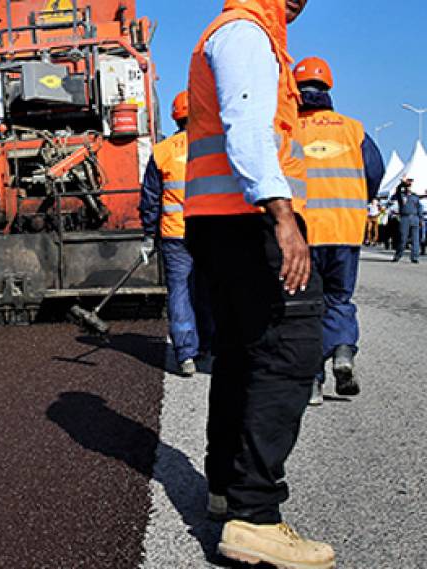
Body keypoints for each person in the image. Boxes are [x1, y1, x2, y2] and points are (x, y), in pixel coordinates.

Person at [183, 1, 336, 566]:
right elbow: (246, 126)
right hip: (249, 225)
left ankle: (225, 488)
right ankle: (256, 515)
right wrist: (282, 217)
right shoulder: (246, 34)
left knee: (242, 356)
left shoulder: (238, 33)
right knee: (290, 351)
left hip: (218, 224)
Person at [293, 56, 385, 405]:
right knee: (339, 297)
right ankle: (343, 350)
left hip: (304, 234)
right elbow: (373, 173)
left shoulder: (288, 129)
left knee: (307, 306)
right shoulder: (353, 129)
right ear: (327, 87)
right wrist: (358, 200)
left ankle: (313, 384)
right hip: (345, 230)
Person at [138, 90, 213, 377]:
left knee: (180, 291)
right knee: (208, 289)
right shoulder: (212, 147)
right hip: (208, 233)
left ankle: (185, 355)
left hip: (175, 234)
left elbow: (151, 199)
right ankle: (208, 345)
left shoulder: (163, 151)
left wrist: (148, 234)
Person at [392, 178, 422, 263]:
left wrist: (421, 220)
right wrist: (402, 184)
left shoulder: (415, 197)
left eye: (410, 185)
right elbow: (397, 190)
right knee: (402, 238)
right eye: (408, 185)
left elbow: (419, 208)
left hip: (415, 218)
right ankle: (398, 255)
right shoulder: (401, 195)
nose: (409, 187)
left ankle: (415, 257)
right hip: (404, 218)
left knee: (415, 239)